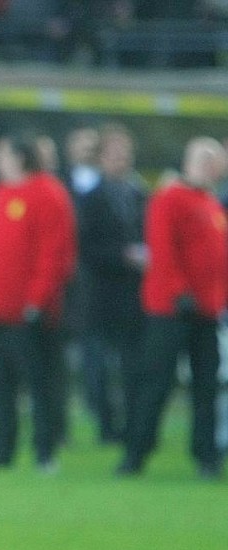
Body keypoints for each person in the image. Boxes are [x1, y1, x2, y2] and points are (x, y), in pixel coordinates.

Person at [0, 132, 77, 472]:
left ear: (19, 157)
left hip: (26, 313)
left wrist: (38, 299)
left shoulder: (48, 194)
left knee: (39, 385)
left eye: (2, 153)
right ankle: (2, 452)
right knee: (0, 387)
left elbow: (55, 255)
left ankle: (45, 451)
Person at [116, 136, 228, 479]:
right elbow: (162, 250)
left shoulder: (210, 203)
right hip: (171, 310)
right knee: (157, 383)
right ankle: (136, 453)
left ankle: (206, 456)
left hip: (206, 311)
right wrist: (180, 291)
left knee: (207, 387)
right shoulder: (170, 198)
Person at [77, 123, 148, 444]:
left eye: (126, 153)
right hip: (101, 296)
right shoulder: (90, 198)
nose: (121, 159)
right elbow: (86, 248)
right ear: (102, 158)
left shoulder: (140, 193)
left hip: (134, 297)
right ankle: (107, 425)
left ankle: (134, 425)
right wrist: (123, 256)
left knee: (134, 366)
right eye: (115, 153)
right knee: (99, 369)